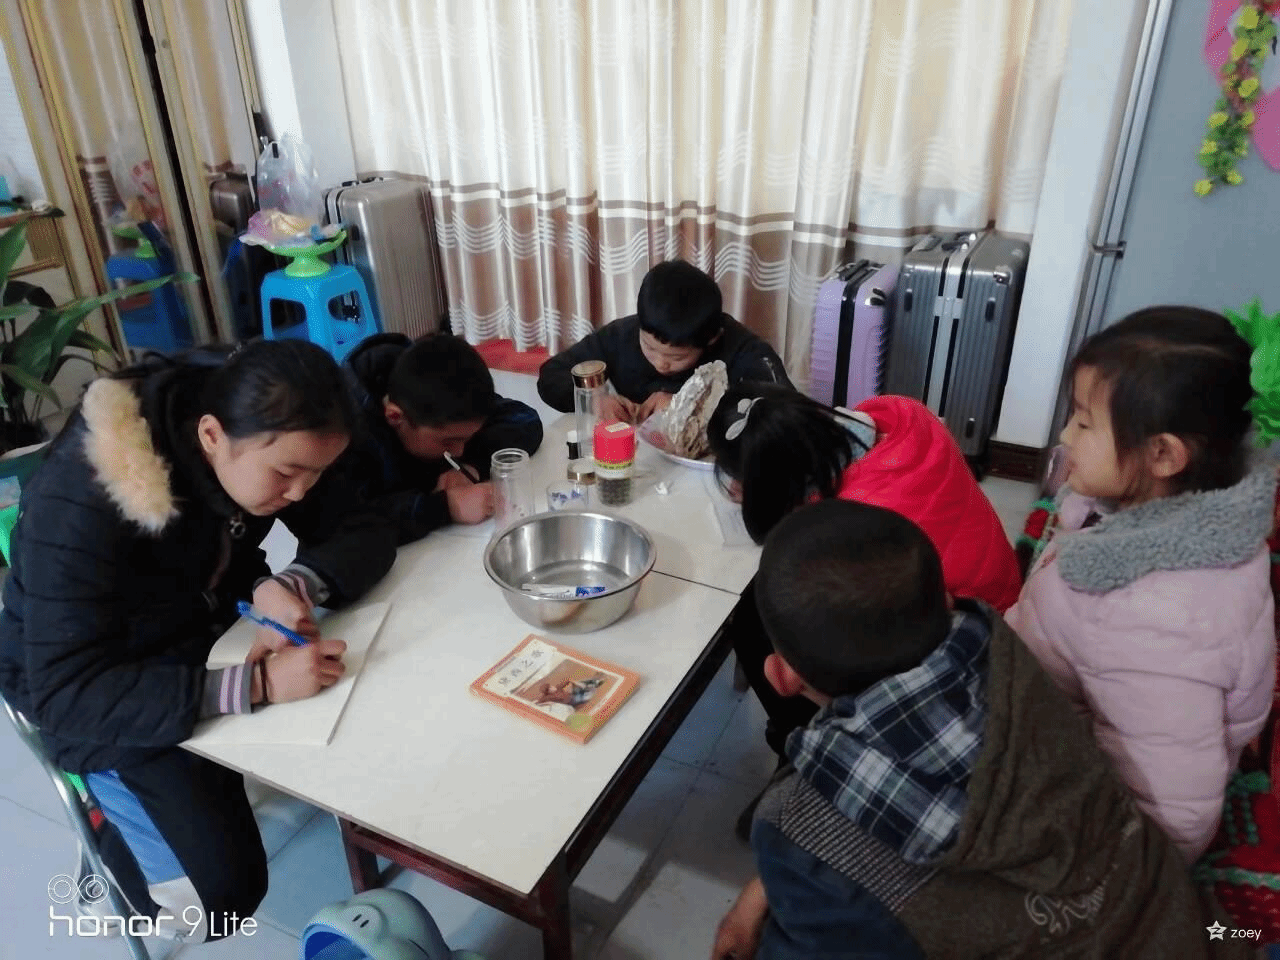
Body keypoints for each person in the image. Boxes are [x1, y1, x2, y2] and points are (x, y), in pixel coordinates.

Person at [712, 499, 1245, 960]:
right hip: (1183, 922)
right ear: (945, 599)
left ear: (781, 677)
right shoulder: (1002, 652)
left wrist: (776, 879)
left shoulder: (798, 824)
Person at [0, 340, 397, 942]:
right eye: (286, 474)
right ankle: (113, 854)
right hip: (94, 679)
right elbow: (66, 693)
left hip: (193, 620)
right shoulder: (82, 497)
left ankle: (161, 807)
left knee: (365, 710)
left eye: (315, 473)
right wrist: (257, 685)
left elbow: (363, 527)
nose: (300, 493)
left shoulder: (274, 418)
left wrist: (288, 582)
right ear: (211, 435)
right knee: (222, 899)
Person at [1007, 305, 1276, 862]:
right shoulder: (1197, 513)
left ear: (1163, 454)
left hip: (1100, 817)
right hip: (1070, 691)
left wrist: (1114, 872)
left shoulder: (1152, 621)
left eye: (1084, 423)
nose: (1065, 434)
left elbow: (1171, 811)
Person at [706, 384, 1021, 768]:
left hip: (966, 638)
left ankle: (800, 744)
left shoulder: (851, 525)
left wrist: (767, 494)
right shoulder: (904, 415)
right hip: (998, 592)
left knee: (761, 619)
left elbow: (809, 561)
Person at [340, 332, 543, 545]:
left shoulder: (443, 388)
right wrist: (446, 507)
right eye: (448, 442)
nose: (459, 451)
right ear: (395, 417)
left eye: (466, 439)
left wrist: (472, 466)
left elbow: (524, 420)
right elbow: (346, 525)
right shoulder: (346, 433)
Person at [536, 259, 791, 423]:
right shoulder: (622, 335)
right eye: (649, 347)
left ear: (711, 339)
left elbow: (786, 414)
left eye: (677, 357)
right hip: (643, 461)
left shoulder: (743, 349)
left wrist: (690, 407)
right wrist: (592, 401)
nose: (661, 364)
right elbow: (551, 375)